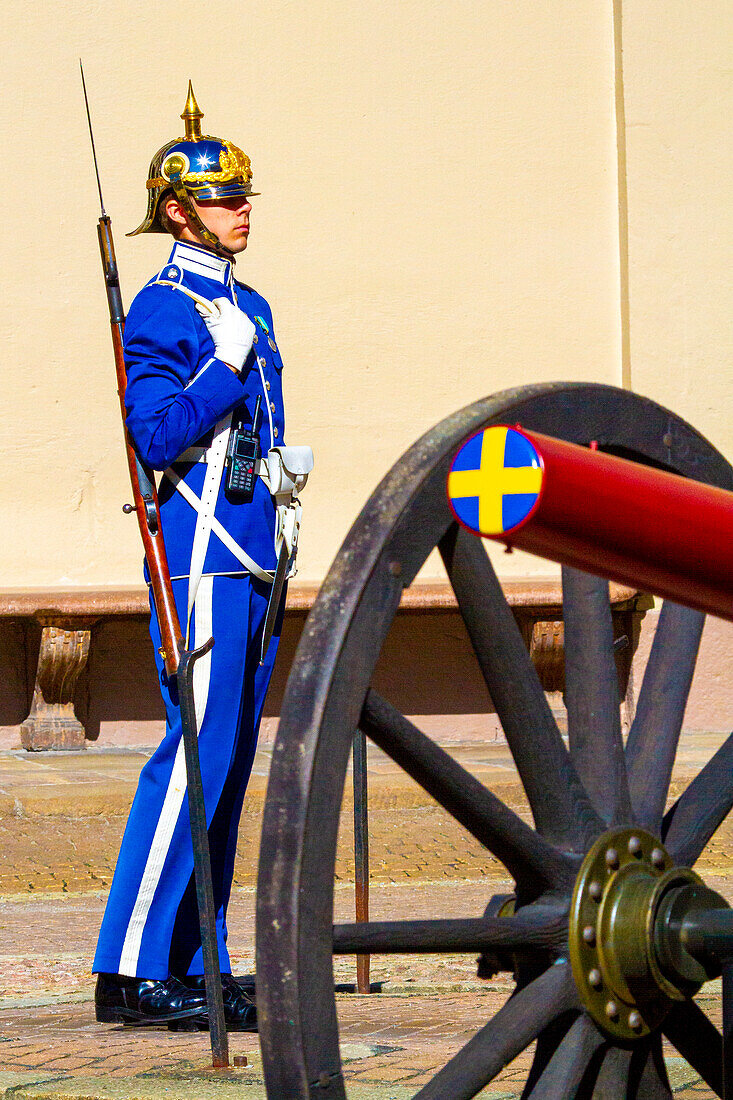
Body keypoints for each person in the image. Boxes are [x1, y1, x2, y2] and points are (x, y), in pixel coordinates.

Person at [93, 85, 298, 1031]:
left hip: (252, 555)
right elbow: (156, 432)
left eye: (244, 195)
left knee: (229, 759)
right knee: (193, 758)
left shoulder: (245, 299)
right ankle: (131, 966)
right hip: (200, 558)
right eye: (224, 198)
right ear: (177, 210)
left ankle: (197, 960)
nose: (242, 209)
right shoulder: (166, 305)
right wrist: (222, 368)